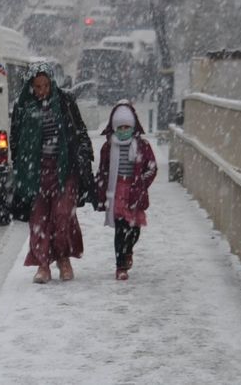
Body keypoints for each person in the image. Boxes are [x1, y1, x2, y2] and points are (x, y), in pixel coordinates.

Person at [10, 61, 95, 284]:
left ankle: (63, 258)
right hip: (36, 172)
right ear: (31, 87)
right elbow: (16, 141)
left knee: (62, 215)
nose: (42, 91)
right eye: (37, 87)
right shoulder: (23, 106)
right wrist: (21, 168)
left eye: (46, 85)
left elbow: (79, 132)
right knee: (38, 219)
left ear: (52, 83)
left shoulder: (65, 102)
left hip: (64, 170)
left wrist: (83, 158)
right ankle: (43, 264)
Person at [94, 101, 157, 280]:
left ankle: (128, 250)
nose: (123, 130)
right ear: (114, 127)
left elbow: (151, 168)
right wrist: (101, 190)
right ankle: (120, 265)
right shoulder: (108, 148)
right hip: (117, 192)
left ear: (133, 126)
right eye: (120, 127)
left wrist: (142, 183)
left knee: (134, 229)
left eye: (127, 126)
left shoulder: (142, 147)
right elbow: (103, 171)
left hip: (135, 191)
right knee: (120, 229)